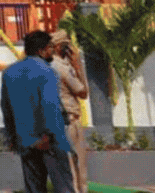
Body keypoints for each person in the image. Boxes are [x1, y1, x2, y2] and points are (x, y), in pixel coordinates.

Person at [0, 30, 75, 193]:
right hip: (49, 141)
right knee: (64, 187)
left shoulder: (9, 73)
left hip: (26, 141)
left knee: (34, 188)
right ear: (41, 50)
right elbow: (50, 106)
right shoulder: (47, 72)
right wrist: (50, 136)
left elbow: (6, 108)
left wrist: (12, 137)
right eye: (50, 47)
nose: (52, 51)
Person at [51, 30, 90, 193]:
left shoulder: (52, 64)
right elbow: (83, 92)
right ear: (59, 47)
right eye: (67, 45)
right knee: (76, 165)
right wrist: (78, 66)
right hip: (69, 120)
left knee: (70, 165)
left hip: (61, 119)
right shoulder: (62, 68)